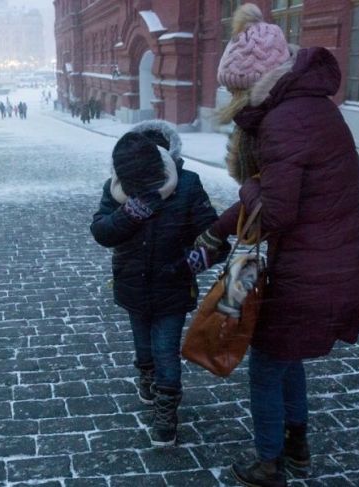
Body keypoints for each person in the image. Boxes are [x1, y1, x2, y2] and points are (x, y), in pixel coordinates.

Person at [196, 4, 359, 486]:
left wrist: (246, 191)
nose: (233, 99)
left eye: (235, 88)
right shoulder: (311, 108)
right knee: (286, 356)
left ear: (255, 82)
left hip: (311, 271)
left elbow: (274, 209)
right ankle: (297, 449)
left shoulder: (283, 121)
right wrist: (217, 230)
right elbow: (277, 193)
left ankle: (269, 462)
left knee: (267, 367)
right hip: (335, 261)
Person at [90, 120, 228, 446]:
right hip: (132, 284)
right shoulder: (117, 186)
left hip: (173, 286)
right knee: (143, 346)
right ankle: (146, 376)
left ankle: (167, 409)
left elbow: (215, 241)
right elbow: (101, 232)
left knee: (166, 350)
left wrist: (187, 266)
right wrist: (130, 213)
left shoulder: (188, 185)